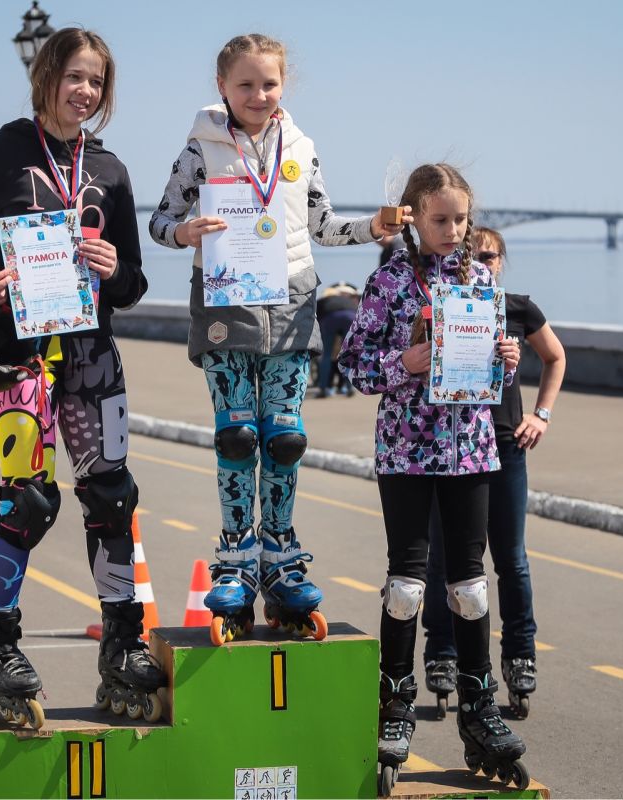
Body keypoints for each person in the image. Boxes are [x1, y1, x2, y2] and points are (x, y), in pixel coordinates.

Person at [148, 33, 407, 646]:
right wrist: (186, 233)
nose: (258, 95)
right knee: (238, 436)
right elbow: (159, 222)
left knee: (285, 440)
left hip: (292, 301)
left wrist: (372, 227)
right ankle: (236, 559)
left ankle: (281, 557)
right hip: (226, 302)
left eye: (269, 84)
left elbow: (321, 225)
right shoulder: (199, 149)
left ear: (283, 85)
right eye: (245, 84)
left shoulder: (302, 149)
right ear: (222, 87)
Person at [0, 28, 161, 728]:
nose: (85, 91)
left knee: (113, 498)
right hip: (21, 356)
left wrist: (113, 269)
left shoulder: (111, 170)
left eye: (96, 80)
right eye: (73, 76)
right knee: (27, 502)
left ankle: (123, 642)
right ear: (46, 78)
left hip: (92, 352)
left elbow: (133, 282)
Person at [338, 165, 528, 793]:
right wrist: (406, 361)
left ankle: (480, 707)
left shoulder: (481, 281)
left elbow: (490, 375)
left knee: (470, 586)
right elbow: (354, 366)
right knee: (407, 586)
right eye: (440, 219)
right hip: (407, 452)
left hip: (470, 449)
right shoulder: (390, 281)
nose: (452, 230)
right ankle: (396, 702)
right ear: (414, 217)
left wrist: (506, 360)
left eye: (461, 219)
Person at [420, 227, 566, 721]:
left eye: (489, 255)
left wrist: (540, 416)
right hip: (450, 449)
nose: (482, 262)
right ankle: (442, 653)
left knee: (511, 559)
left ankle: (520, 655)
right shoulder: (438, 304)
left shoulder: (517, 308)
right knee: (444, 561)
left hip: (505, 445)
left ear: (501, 260)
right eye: (473, 254)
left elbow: (556, 357)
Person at [315, 281, 360, 398]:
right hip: (350, 316)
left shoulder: (322, 300)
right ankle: (349, 388)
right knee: (348, 354)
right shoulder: (347, 300)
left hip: (329, 318)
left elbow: (316, 320)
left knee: (326, 355)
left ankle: (323, 389)